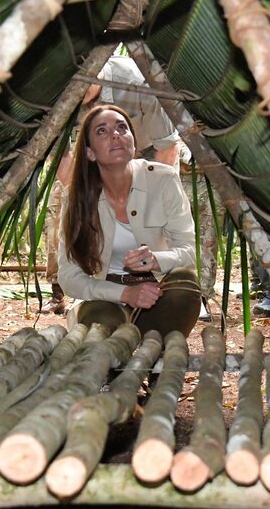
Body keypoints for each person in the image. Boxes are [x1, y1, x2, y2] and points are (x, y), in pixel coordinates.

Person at [57, 105, 202, 337]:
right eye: (102, 131)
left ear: (133, 142)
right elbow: (68, 276)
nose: (116, 134)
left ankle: (161, 366)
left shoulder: (163, 180)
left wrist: (156, 259)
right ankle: (110, 371)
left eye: (122, 128)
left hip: (158, 288)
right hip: (106, 293)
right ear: (90, 153)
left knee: (186, 284)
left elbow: (190, 251)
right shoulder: (76, 198)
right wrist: (125, 294)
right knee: (99, 323)